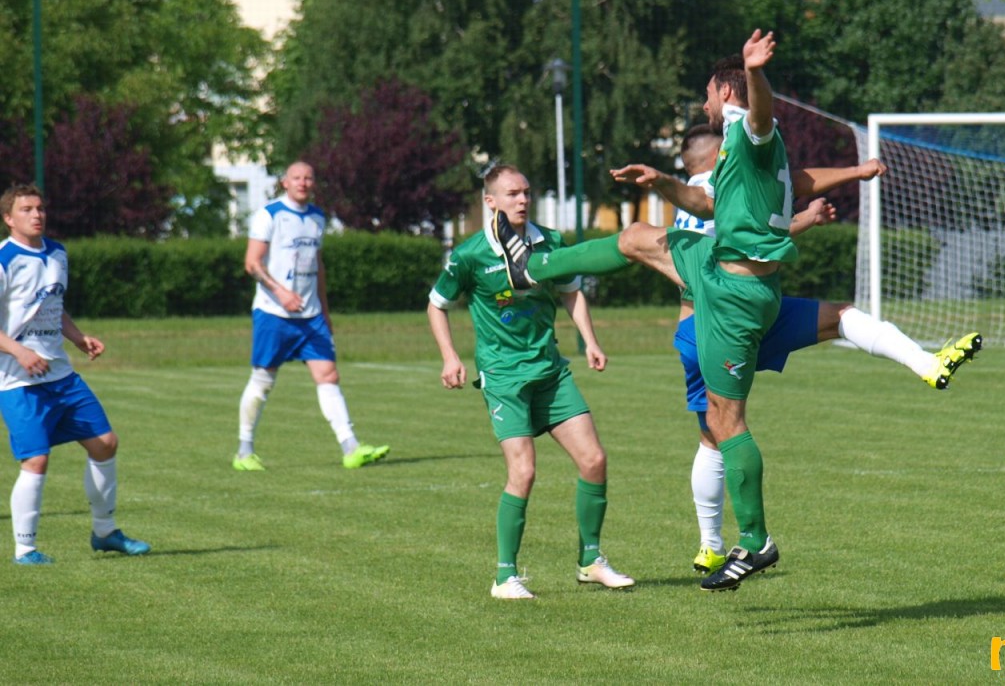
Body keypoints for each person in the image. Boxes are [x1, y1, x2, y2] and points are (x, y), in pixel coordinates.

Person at [494, 30, 819, 590]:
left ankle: (754, 539)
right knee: (636, 237)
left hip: (731, 291)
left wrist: (753, 71)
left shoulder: (748, 127)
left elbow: (760, 114)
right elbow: (708, 204)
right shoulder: (734, 144)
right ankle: (534, 267)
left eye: (708, 93)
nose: (704, 103)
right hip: (720, 271)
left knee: (725, 421)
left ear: (724, 91)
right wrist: (664, 181)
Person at [669, 125, 981, 574]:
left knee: (713, 435)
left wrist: (847, 178)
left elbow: (760, 218)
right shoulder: (721, 185)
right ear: (717, 153)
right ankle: (925, 361)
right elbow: (756, 239)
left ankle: (709, 545)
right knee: (834, 323)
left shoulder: (684, 201)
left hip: (697, 327)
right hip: (727, 320)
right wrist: (814, 212)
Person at [427, 164, 634, 600]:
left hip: (550, 370)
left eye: (526, 192)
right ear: (490, 201)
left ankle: (590, 561)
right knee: (523, 471)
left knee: (594, 460)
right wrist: (450, 356)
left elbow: (571, 291)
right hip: (504, 377)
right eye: (512, 193)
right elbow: (437, 304)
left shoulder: (550, 243)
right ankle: (505, 576)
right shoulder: (470, 254)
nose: (522, 200)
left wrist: (590, 341)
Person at [0, 184, 150, 564]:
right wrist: (20, 351)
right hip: (18, 381)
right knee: (36, 459)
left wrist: (78, 337)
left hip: (62, 376)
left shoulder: (57, 253)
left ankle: (105, 532)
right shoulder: (4, 259)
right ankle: (26, 550)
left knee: (105, 443)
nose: (37, 215)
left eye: (40, 208)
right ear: (8, 218)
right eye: (26, 209)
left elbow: (53, 307)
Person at [233, 161, 389, 471]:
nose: (303, 182)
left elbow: (318, 267)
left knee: (328, 375)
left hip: (311, 315)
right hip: (274, 314)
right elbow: (252, 263)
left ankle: (351, 448)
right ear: (285, 182)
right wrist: (281, 292)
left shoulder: (317, 218)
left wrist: (325, 312)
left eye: (308, 178)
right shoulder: (269, 215)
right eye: (296, 178)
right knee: (263, 381)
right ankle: (244, 452)